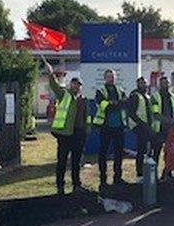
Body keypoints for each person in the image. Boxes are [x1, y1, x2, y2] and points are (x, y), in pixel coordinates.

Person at [45, 60, 88, 196]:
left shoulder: (83, 99)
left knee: (76, 162)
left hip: (79, 134)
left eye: (79, 85)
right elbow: (54, 85)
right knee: (62, 161)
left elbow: (86, 116)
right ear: (71, 84)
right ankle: (60, 186)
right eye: (75, 84)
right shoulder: (64, 94)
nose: (77, 87)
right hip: (65, 134)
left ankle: (76, 185)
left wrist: (86, 130)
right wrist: (50, 73)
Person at [93, 69, 127, 188]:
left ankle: (118, 178)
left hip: (119, 127)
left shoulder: (120, 90)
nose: (111, 78)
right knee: (103, 154)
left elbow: (125, 103)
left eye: (113, 76)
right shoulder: (100, 91)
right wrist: (116, 104)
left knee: (119, 154)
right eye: (108, 76)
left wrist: (112, 103)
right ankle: (103, 180)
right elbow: (104, 106)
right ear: (104, 78)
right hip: (106, 126)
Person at [127, 77, 153, 181]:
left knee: (148, 151)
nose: (143, 85)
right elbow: (131, 113)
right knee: (141, 151)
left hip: (147, 127)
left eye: (145, 83)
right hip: (139, 127)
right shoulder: (134, 95)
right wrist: (141, 124)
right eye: (141, 83)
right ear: (137, 84)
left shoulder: (147, 95)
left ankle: (147, 173)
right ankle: (139, 174)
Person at [151, 76, 174, 176]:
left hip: (170, 129)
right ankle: (153, 175)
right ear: (159, 85)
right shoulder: (155, 96)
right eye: (163, 83)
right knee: (156, 153)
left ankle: (167, 173)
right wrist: (169, 121)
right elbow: (155, 113)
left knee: (170, 153)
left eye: (167, 83)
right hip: (159, 128)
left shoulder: (173, 97)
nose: (165, 85)